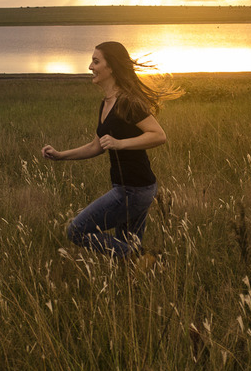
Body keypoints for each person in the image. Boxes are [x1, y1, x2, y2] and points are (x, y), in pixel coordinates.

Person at [42, 42, 181, 258]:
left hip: (133, 191)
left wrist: (120, 143)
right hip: (132, 187)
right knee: (126, 251)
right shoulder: (106, 103)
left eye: (96, 62)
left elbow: (158, 135)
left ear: (112, 67)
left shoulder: (127, 102)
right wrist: (60, 155)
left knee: (76, 231)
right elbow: (95, 146)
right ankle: (140, 266)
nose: (90, 67)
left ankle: (145, 259)